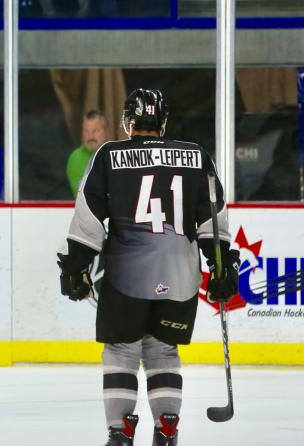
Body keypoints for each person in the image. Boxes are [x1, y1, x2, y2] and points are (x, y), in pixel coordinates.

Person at [56, 89, 240, 446]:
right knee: (164, 350)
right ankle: (167, 425)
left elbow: (89, 216)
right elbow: (213, 218)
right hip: (181, 278)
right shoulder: (195, 155)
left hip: (127, 277)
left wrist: (77, 266)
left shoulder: (109, 155)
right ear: (163, 121)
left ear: (128, 121)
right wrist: (221, 267)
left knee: (122, 350)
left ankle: (121, 431)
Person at [66, 110, 109, 198]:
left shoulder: (116, 155)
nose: (90, 137)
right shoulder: (76, 158)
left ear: (106, 131)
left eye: (96, 131)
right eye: (86, 131)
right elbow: (83, 195)